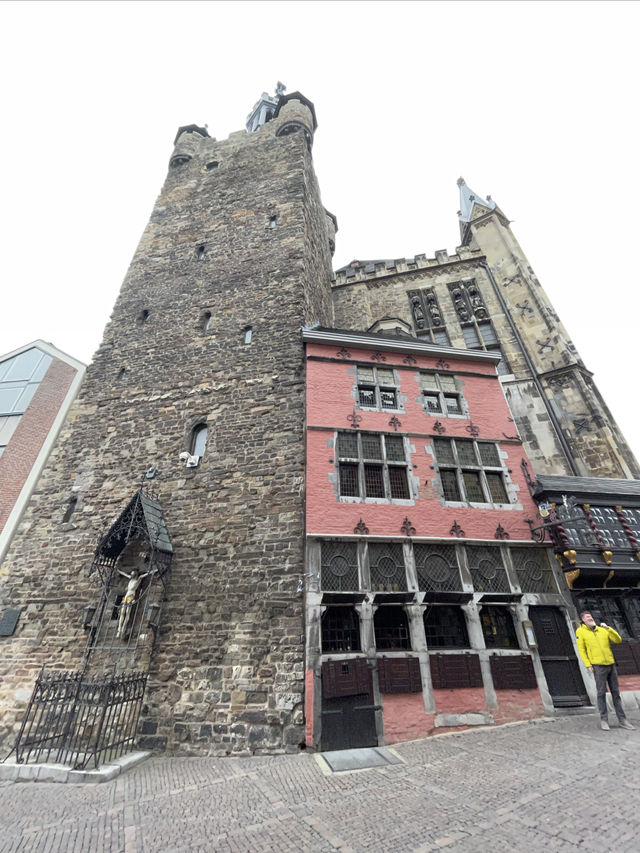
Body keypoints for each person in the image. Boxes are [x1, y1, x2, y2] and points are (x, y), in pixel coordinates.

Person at [576, 611, 635, 731]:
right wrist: (588, 664)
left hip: (610, 663)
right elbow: (581, 649)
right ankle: (604, 720)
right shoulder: (581, 632)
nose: (590, 618)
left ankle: (622, 719)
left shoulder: (602, 630)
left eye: (591, 616)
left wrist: (609, 628)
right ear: (583, 620)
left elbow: (617, 639)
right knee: (601, 693)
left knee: (615, 693)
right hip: (598, 665)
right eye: (587, 617)